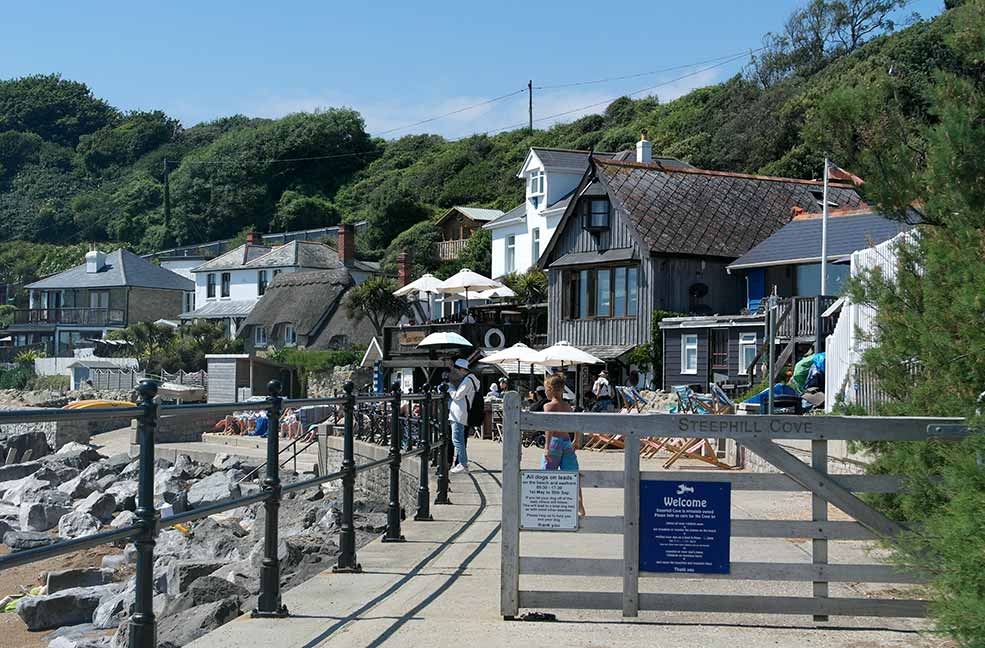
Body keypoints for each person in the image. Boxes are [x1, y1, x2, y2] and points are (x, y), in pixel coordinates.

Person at [542, 374, 586, 517]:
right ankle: (579, 504)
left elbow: (549, 428)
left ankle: (547, 506)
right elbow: (576, 423)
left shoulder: (548, 406)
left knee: (547, 475)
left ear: (549, 389)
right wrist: (577, 439)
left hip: (554, 443)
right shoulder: (567, 406)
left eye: (545, 389)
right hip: (567, 442)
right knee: (572, 473)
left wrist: (546, 447)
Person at [448, 358, 479, 474]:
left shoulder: (468, 380)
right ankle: (463, 463)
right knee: (458, 439)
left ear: (462, 369)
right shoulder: (472, 380)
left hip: (459, 413)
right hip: (460, 412)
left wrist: (450, 388)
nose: (456, 371)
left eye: (457, 369)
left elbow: (457, 396)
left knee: (457, 439)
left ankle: (463, 464)